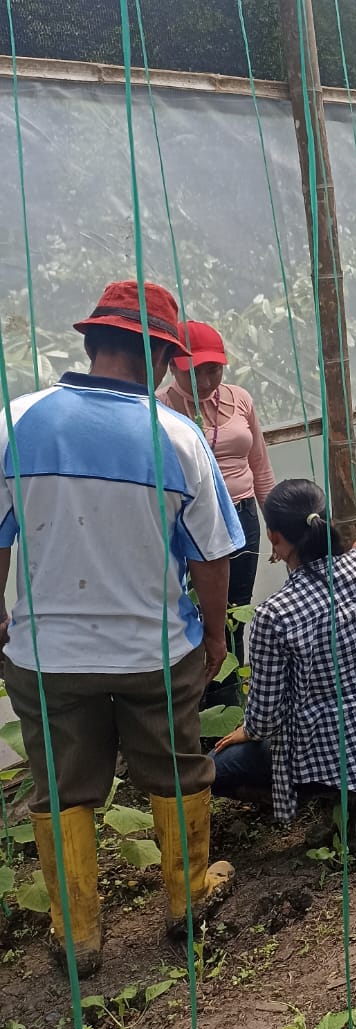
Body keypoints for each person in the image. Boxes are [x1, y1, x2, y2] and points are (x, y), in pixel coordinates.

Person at [0, 281, 243, 975]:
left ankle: (77, 935)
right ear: (163, 357)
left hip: (49, 655)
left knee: (60, 786)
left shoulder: (16, 421)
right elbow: (213, 555)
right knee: (176, 769)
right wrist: (216, 635)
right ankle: (187, 899)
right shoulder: (178, 436)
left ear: (91, 343)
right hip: (154, 652)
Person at [209, 480, 356, 821]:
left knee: (213, 768)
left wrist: (248, 729)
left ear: (273, 537)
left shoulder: (274, 614)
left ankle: (316, 795)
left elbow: (265, 720)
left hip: (336, 757)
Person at [163, 319, 275, 708]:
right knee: (196, 615)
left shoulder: (240, 399)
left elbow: (260, 466)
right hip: (189, 526)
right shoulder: (160, 408)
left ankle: (231, 707)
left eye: (214, 369)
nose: (206, 380)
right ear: (172, 365)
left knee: (235, 612)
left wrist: (274, 522)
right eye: (195, 371)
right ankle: (198, 706)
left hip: (243, 517)